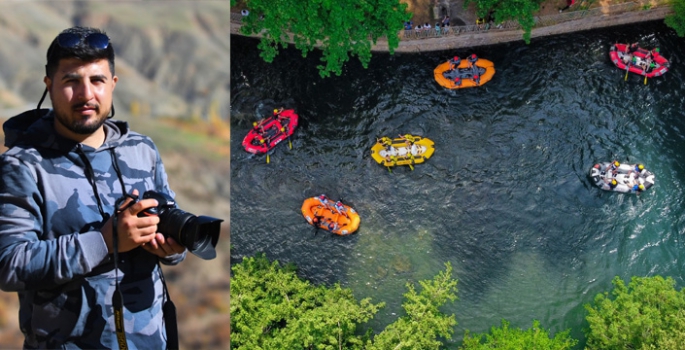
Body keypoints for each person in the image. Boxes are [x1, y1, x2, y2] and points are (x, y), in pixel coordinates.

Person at [0, 26, 187, 349]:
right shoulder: (22, 165)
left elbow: (168, 233)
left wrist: (173, 249)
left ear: (113, 85)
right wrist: (104, 240)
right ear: (50, 86)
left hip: (151, 339)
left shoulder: (142, 150)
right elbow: (10, 264)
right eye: (71, 81)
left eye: (97, 80)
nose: (86, 94)